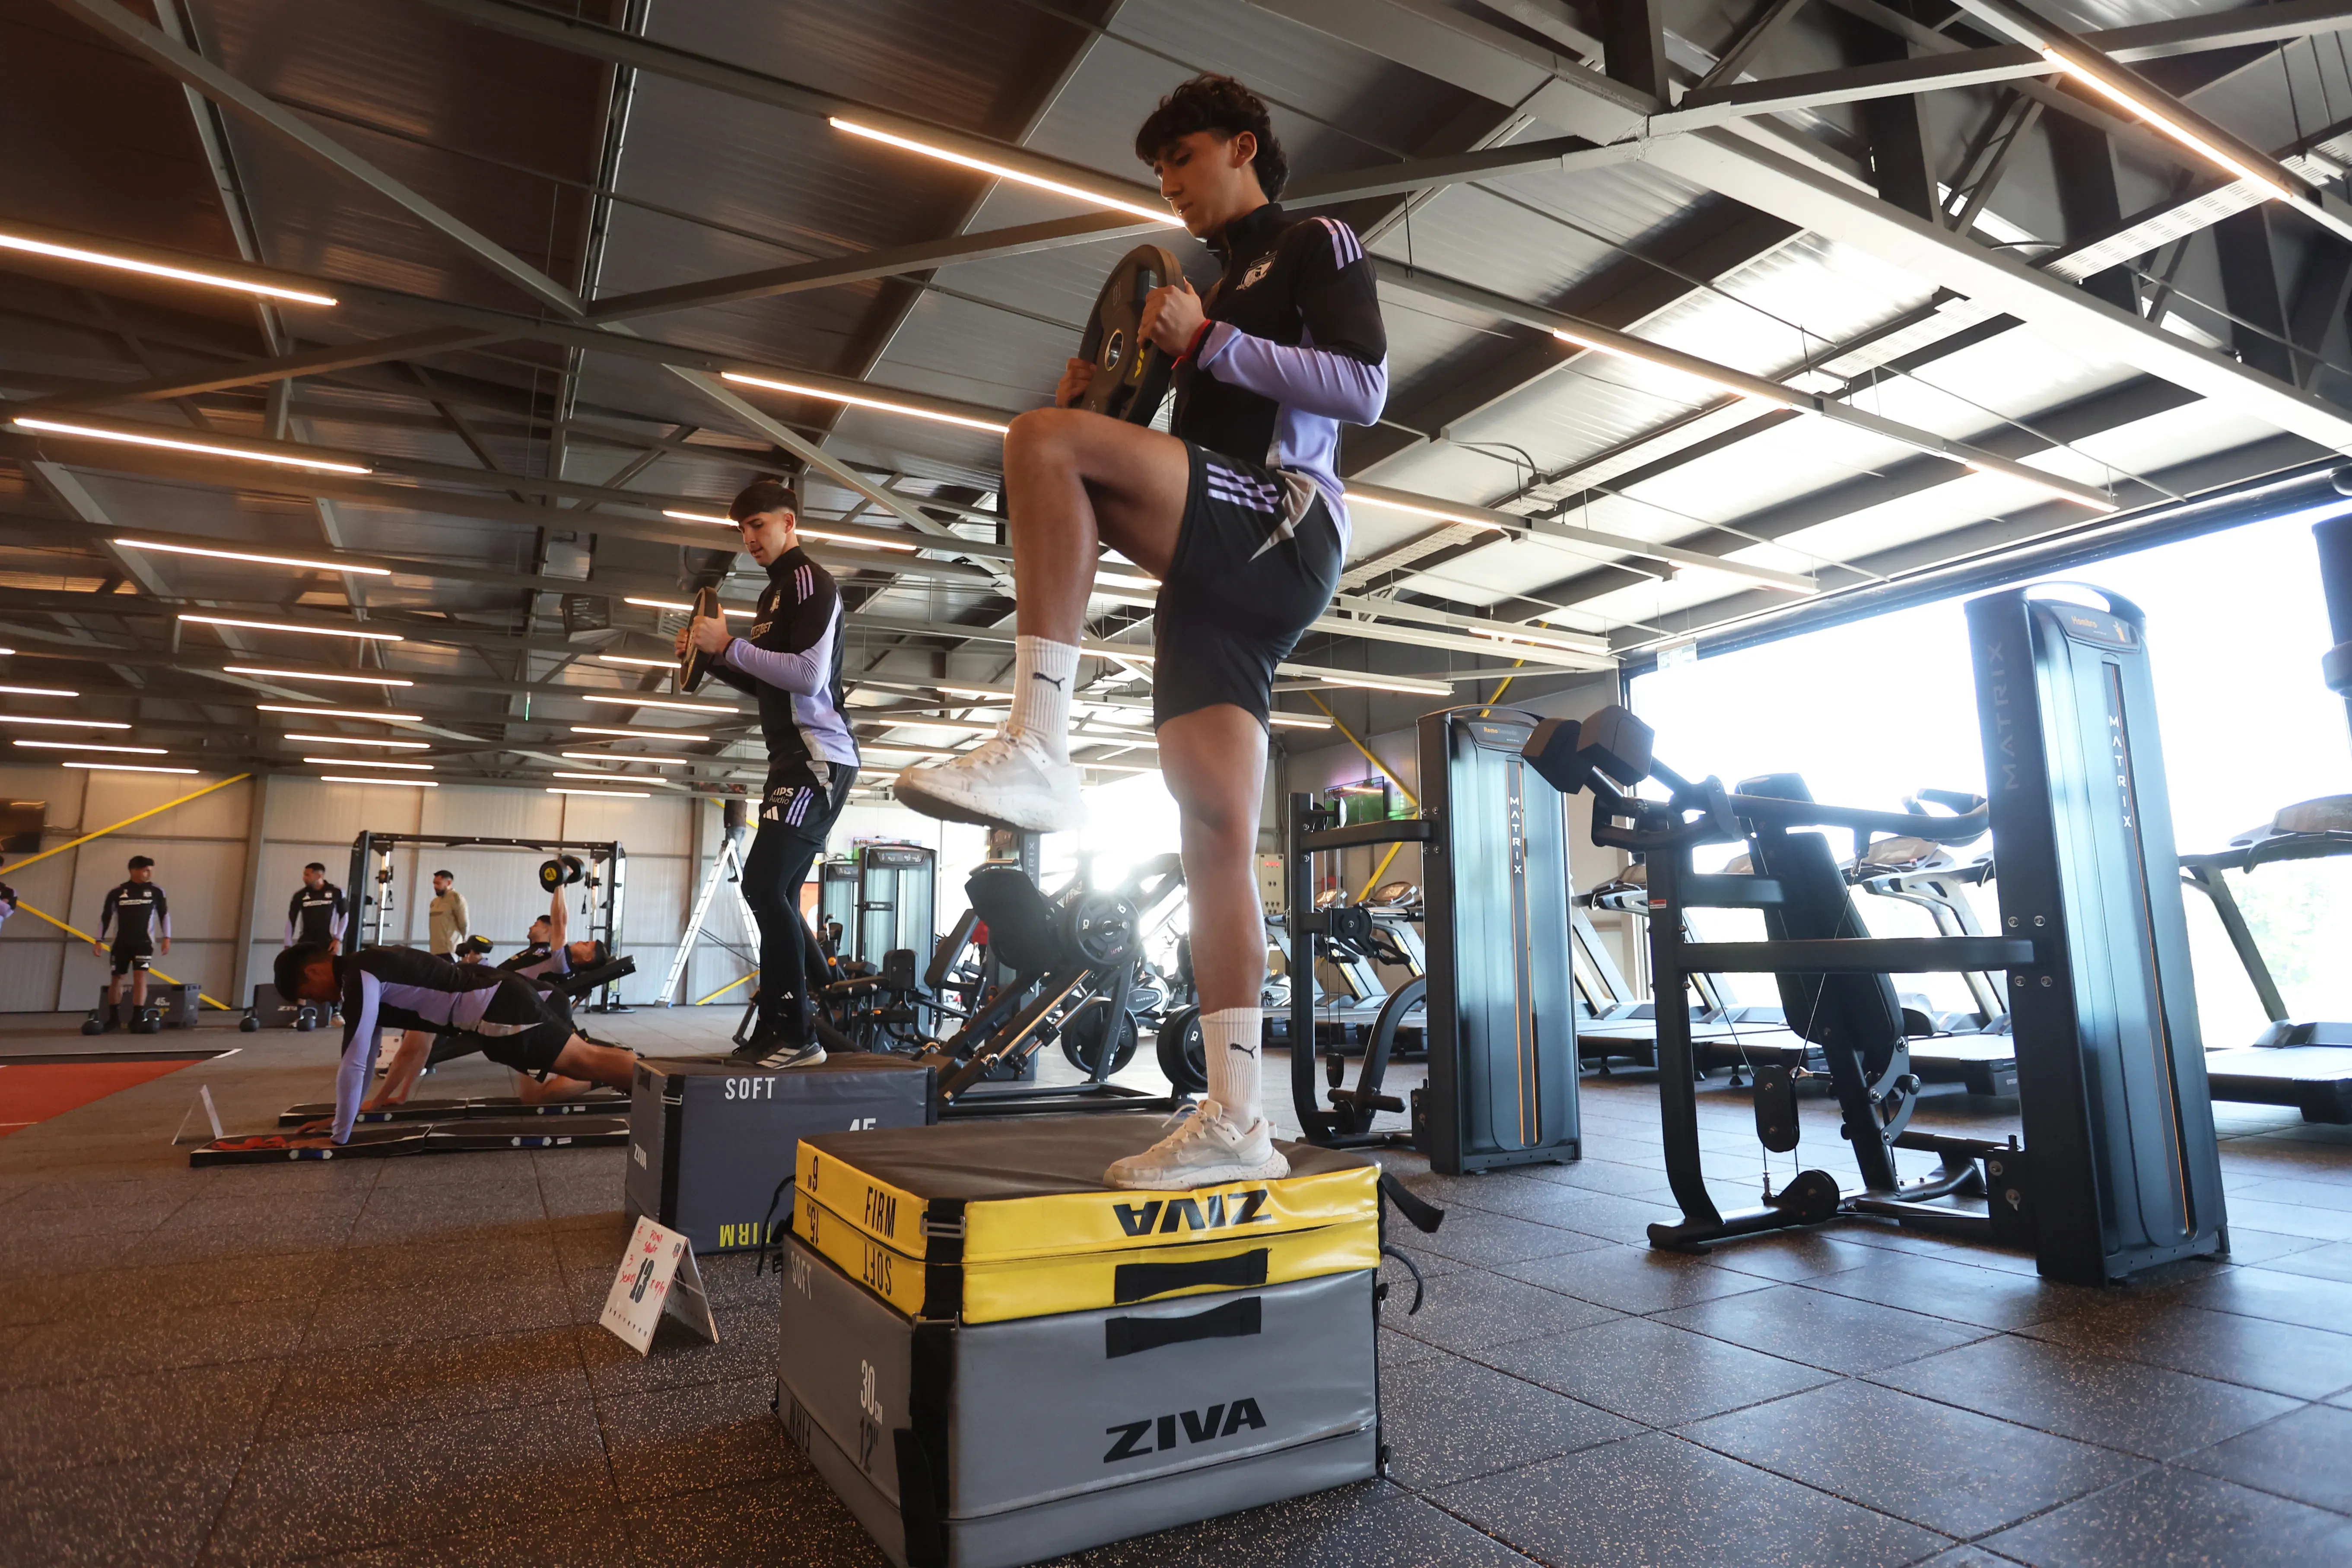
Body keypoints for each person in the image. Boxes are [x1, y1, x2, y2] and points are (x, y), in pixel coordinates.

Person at [893, 76, 1386, 1189]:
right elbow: (1119, 481)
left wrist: (1203, 343)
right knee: (1214, 837)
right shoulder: (1201, 291)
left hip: (1286, 523)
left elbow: (1360, 385)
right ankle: (1237, 1119)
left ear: (1242, 145)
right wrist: (1107, 403)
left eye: (1181, 157)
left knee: (1039, 442)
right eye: (1155, 168)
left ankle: (1038, 742)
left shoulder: (1315, 241)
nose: (1166, 184)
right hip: (1211, 582)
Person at [675, 476, 860, 1066]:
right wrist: (712, 653)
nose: (750, 538)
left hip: (818, 759)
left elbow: (807, 675)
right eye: (743, 530)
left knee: (762, 884)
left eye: (758, 524)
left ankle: (799, 1031)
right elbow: (766, 677)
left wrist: (726, 644)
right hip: (790, 760)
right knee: (773, 889)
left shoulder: (810, 582)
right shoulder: (769, 598)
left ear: (789, 521)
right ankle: (793, 1017)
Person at [275, 942, 638, 1143]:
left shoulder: (360, 976)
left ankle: (664, 1084)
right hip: (495, 1008)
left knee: (584, 1062)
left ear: (315, 971)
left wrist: (339, 1136)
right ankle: (649, 1079)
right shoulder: (365, 969)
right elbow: (367, 1052)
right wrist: (349, 1115)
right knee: (583, 1061)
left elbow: (354, 1060)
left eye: (311, 992)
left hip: (498, 1009)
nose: (320, 1002)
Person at [92, 854, 170, 1027]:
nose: (150, 874)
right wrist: (99, 940)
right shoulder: (117, 892)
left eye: (151, 871)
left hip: (144, 943)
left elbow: (164, 915)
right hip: (121, 943)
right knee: (117, 978)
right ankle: (114, 1019)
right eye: (146, 871)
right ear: (134, 871)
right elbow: (106, 917)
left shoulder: (157, 891)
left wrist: (167, 937)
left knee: (140, 977)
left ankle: (137, 1018)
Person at [284, 863, 348, 952]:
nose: (304, 878)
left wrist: (338, 939)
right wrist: (288, 944)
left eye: (307, 875)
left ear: (319, 876)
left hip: (328, 943)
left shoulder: (337, 892)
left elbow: (344, 916)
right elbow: (291, 920)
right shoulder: (299, 895)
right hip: (306, 943)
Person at [427, 869, 469, 957]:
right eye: (434, 883)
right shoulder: (434, 902)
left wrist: (463, 941)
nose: (435, 886)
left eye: (438, 883)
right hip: (435, 950)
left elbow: (464, 924)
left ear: (449, 883)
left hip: (450, 950)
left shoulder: (457, 899)